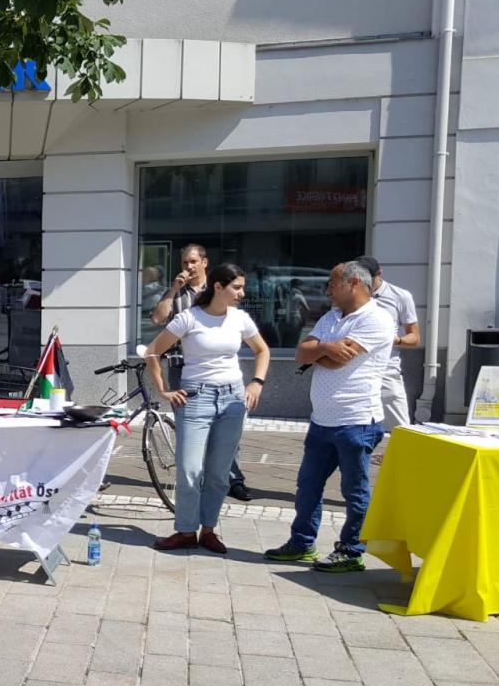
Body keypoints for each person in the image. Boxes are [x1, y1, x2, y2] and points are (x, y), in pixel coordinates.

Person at [263, 261, 395, 572]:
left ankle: (351, 550)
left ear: (353, 284)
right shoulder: (332, 316)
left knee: (355, 491)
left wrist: (321, 351)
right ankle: (302, 543)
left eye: (333, 284)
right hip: (322, 420)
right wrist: (327, 348)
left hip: (357, 420)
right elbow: (302, 352)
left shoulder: (377, 319)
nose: (327, 291)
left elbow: (337, 363)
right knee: (308, 485)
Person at [146, 264, 271, 554]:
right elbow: (154, 351)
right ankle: (186, 531)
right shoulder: (189, 318)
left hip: (233, 399)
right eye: (236, 287)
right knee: (189, 469)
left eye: (242, 287)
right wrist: (163, 389)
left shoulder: (240, 319)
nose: (241, 293)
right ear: (218, 286)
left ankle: (208, 530)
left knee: (218, 472)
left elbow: (262, 350)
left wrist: (257, 383)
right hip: (195, 398)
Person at [151, 244, 254, 502]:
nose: (188, 267)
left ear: (205, 262)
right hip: (181, 366)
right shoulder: (177, 294)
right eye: (185, 262)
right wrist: (173, 289)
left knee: (226, 431)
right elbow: (157, 319)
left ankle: (233, 479)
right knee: (191, 428)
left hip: (219, 372)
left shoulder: (221, 288)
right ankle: (194, 481)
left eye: (193, 262)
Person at [355, 256, 419, 430]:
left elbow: (414, 337)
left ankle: (399, 457)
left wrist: (396, 340)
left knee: (400, 427)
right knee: (353, 425)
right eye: (358, 279)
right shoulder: (352, 296)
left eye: (367, 279)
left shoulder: (401, 296)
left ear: (379, 274)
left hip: (386, 368)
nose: (363, 284)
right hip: (354, 368)